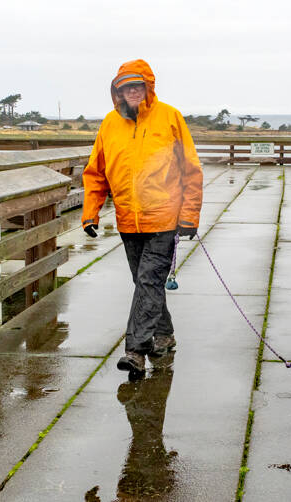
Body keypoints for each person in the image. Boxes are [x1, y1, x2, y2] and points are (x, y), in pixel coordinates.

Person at [82, 58, 203, 378]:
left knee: (148, 282)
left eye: (138, 86)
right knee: (144, 284)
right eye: (126, 88)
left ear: (149, 87)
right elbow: (96, 173)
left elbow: (191, 169)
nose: (132, 92)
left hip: (164, 218)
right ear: (117, 92)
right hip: (127, 220)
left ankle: (135, 349)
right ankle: (165, 334)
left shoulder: (170, 118)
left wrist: (189, 216)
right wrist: (90, 213)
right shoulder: (109, 124)